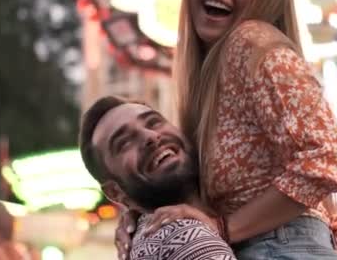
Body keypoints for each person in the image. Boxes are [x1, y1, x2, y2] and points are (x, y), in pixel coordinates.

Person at [115, 0, 337, 259]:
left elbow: (328, 157)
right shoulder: (215, 78)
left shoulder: (251, 42)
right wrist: (140, 208)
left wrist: (225, 228)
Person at [79, 96, 237, 260]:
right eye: (124, 142)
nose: (150, 136)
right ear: (115, 192)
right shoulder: (183, 235)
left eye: (153, 122)